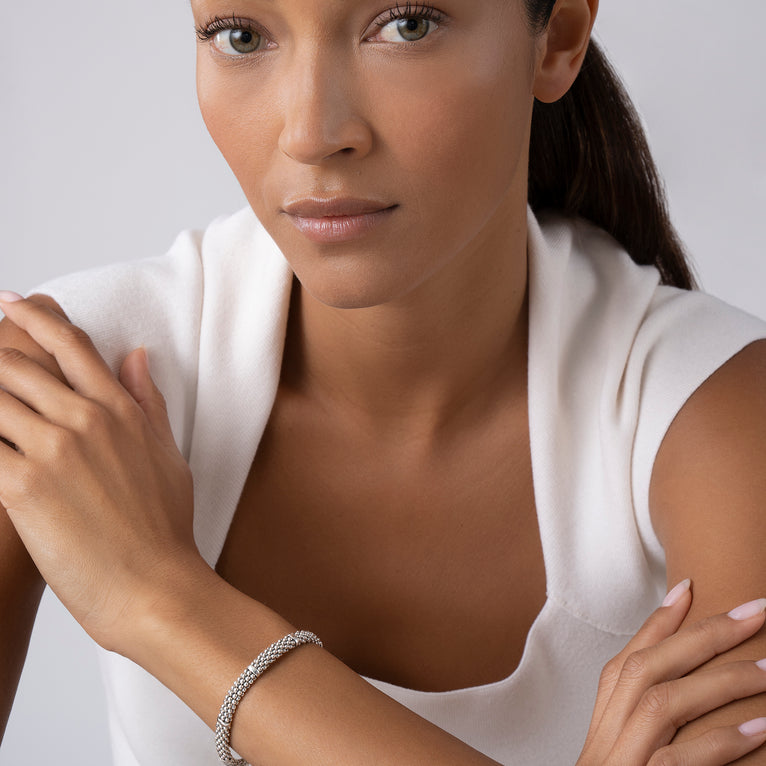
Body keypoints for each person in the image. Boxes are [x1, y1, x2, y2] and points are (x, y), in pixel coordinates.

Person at [1, 0, 766, 763]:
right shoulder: (62, 387)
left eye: (407, 25)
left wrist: (157, 597)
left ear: (558, 38)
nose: (311, 133)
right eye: (240, 37)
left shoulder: (721, 414)